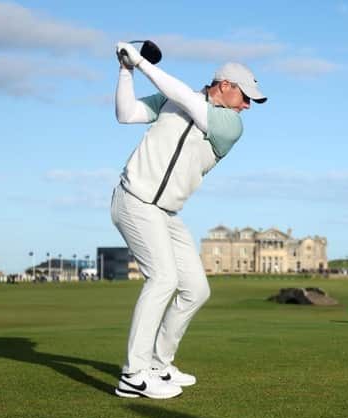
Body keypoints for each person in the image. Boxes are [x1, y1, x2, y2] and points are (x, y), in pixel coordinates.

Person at [110, 41, 266, 399]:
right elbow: (126, 113)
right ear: (225, 84)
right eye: (246, 96)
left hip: (164, 212)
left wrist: (142, 63)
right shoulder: (174, 100)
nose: (247, 106)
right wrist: (126, 71)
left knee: (196, 289)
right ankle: (134, 374)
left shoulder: (230, 125)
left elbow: (185, 96)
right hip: (135, 199)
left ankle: (157, 364)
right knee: (163, 279)